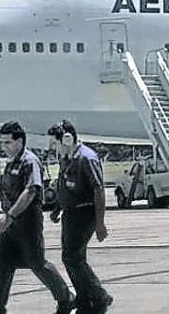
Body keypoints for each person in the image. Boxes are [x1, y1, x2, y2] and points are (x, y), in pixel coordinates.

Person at [0, 121, 75, 314]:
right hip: (10, 226)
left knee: (37, 263)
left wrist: (9, 216)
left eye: (8, 142)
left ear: (19, 141)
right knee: (1, 263)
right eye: (3, 143)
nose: (5, 147)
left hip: (27, 223)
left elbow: (31, 191)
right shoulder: (12, 163)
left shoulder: (30, 161)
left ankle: (66, 298)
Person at [48, 120, 113, 313]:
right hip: (70, 213)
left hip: (85, 212)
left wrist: (100, 223)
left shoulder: (87, 158)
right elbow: (63, 184)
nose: (53, 147)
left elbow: (98, 190)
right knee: (70, 257)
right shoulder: (66, 158)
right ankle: (85, 297)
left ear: (67, 139)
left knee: (73, 257)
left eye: (54, 143)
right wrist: (57, 207)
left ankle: (99, 296)